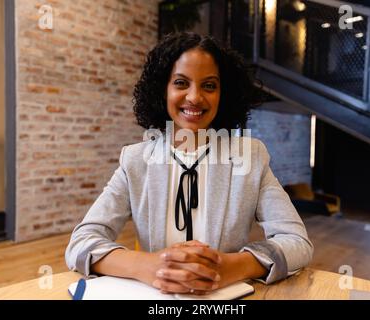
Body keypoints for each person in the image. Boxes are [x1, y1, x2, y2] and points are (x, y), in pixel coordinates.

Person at [65, 32, 313, 295]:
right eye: (181, 83)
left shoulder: (250, 157)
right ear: (163, 90)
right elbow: (81, 243)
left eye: (209, 86)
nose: (194, 97)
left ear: (223, 94)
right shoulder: (135, 160)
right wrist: (148, 266)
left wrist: (232, 266)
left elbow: (297, 242)